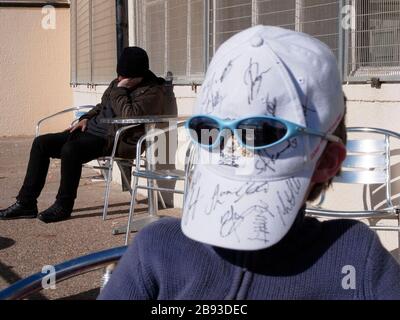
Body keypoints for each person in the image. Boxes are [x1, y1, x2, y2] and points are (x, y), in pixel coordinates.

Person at [98, 26, 400, 300]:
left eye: (261, 132)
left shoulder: (355, 259)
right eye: (208, 129)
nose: (232, 148)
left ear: (326, 161)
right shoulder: (158, 249)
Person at [0, 47, 170, 223]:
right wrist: (86, 118)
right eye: (118, 75)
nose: (118, 79)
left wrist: (120, 90)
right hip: (88, 131)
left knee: (71, 150)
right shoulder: (119, 82)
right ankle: (26, 203)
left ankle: (63, 205)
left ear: (138, 76)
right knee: (41, 143)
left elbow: (129, 116)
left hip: (111, 139)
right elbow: (101, 106)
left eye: (124, 77)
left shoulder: (152, 91)